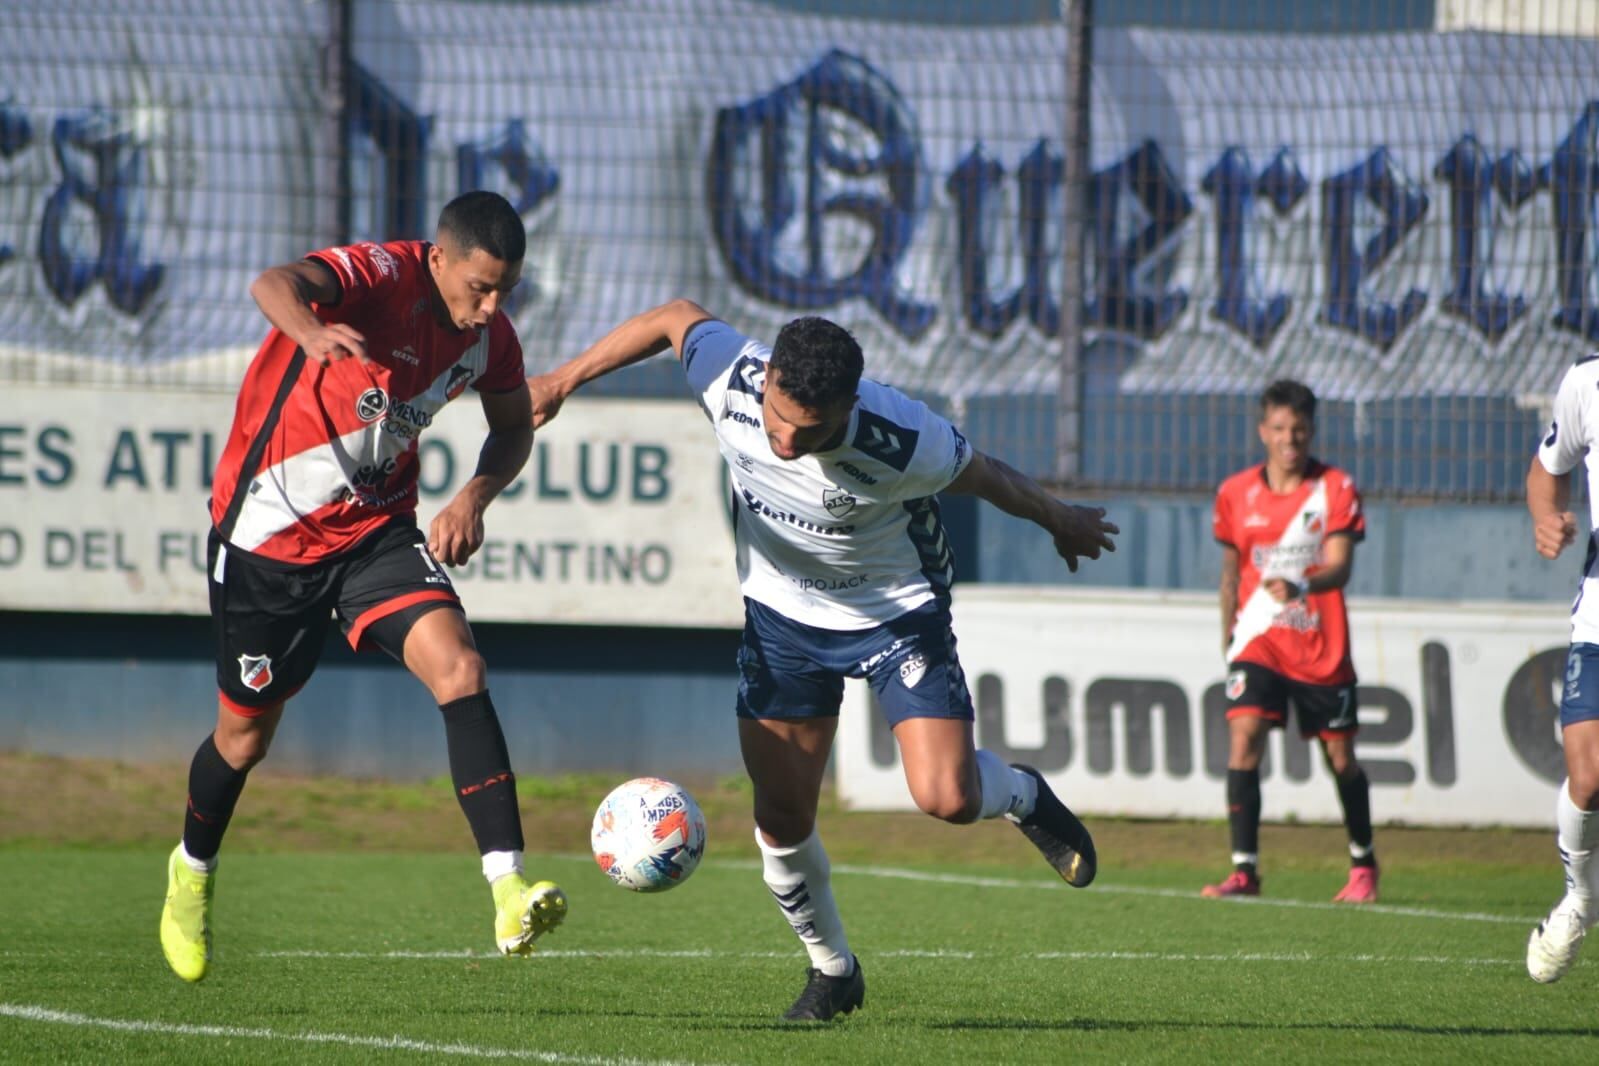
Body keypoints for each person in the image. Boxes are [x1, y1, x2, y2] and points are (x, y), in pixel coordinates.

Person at [528, 301, 1117, 1022]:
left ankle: (1022, 795)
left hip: (893, 613)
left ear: (849, 405)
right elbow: (674, 318)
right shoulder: (731, 375)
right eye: (779, 416)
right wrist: (561, 379)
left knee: (947, 798)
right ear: (767, 376)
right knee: (780, 813)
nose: (784, 440)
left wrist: (1061, 518)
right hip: (782, 619)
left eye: (812, 430)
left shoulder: (904, 440)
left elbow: (988, 475)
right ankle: (832, 969)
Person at [159, 191, 567, 983]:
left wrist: (473, 495)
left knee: (460, 669)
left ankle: (508, 887)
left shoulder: (492, 341)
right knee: (244, 740)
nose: (489, 309)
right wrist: (310, 331)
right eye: (477, 289)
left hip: (376, 533)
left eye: (504, 292)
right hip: (269, 541)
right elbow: (273, 282)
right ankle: (191, 873)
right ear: (437, 259)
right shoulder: (379, 275)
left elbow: (514, 424)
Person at [1202, 379, 1378, 903]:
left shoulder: (1335, 489)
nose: (1289, 439)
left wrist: (1304, 583)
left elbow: (1341, 566)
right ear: (1263, 431)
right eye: (1279, 428)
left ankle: (1363, 865)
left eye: (1298, 429)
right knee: (1244, 737)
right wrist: (1229, 638)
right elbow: (1230, 575)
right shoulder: (1235, 493)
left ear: (1311, 431)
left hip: (1320, 647)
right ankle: (1244, 872)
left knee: (1341, 758)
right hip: (1258, 642)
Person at [1524, 357, 1599, 983]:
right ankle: (1580, 900)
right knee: (1589, 772)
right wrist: (1545, 521)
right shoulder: (1587, 382)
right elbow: (1547, 473)